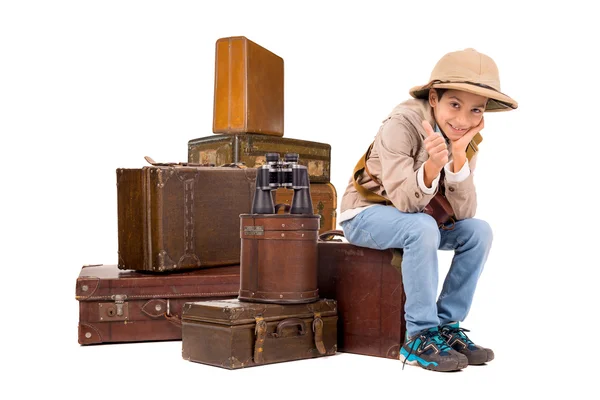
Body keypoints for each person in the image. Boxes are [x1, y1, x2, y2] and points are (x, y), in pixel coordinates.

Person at [338, 48, 517, 372]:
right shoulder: (401, 123)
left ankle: (446, 327)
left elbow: (463, 215)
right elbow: (407, 205)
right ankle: (419, 335)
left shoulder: (465, 136)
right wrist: (433, 166)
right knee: (420, 226)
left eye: (475, 110)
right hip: (366, 215)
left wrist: (459, 158)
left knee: (479, 232)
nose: (463, 120)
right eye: (455, 105)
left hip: (423, 222)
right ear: (434, 97)